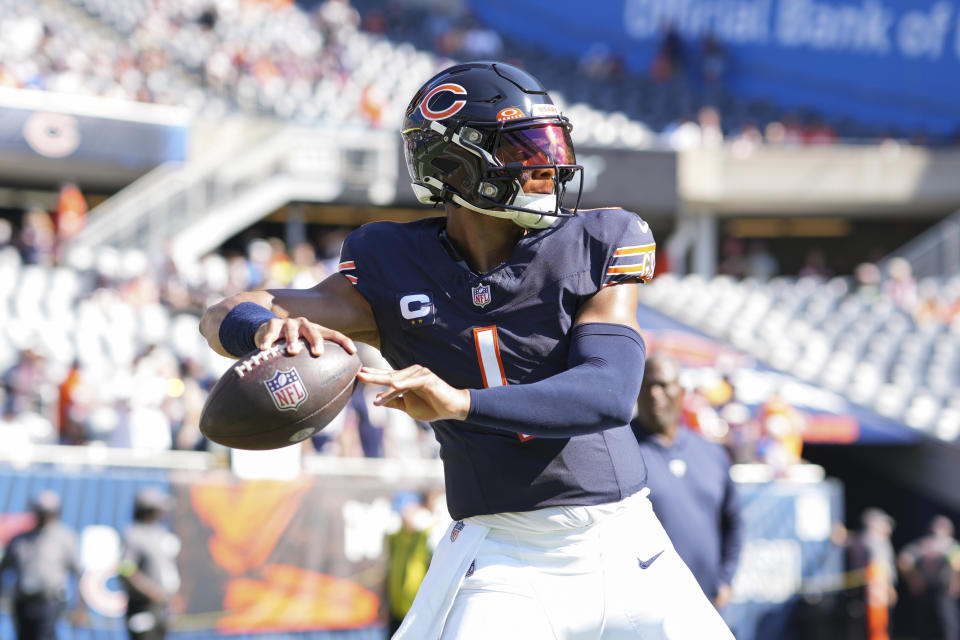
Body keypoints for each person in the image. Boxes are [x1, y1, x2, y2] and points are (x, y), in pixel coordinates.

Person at [199, 61, 733, 639]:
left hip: (630, 543)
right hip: (505, 556)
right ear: (455, 162)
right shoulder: (390, 262)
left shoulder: (599, 239)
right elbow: (221, 311)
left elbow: (608, 393)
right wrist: (261, 329)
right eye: (524, 148)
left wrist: (460, 404)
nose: (548, 164)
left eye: (551, 143)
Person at [631, 354, 743, 610]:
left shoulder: (710, 452)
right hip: (648, 609)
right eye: (647, 385)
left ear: (681, 392)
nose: (655, 394)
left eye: (663, 385)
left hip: (708, 605)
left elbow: (734, 520)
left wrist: (725, 579)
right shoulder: (620, 449)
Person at [0, 491, 87, 640]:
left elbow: (78, 573)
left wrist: (81, 607)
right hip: (23, 602)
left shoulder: (64, 538)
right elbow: (3, 570)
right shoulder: (20, 540)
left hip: (50, 601)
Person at [117, 488, 182, 640]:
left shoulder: (160, 533)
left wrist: (171, 596)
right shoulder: (133, 534)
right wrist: (151, 591)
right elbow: (126, 570)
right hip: (142, 606)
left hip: (162, 608)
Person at [897, 515, 960, 640]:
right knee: (926, 623)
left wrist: (956, 581)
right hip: (926, 588)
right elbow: (903, 560)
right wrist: (914, 578)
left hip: (944, 589)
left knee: (946, 623)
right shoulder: (924, 544)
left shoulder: (951, 546)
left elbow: (957, 565)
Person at [843, 508, 898, 640]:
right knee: (877, 629)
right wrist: (889, 588)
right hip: (875, 593)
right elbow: (880, 569)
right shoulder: (877, 542)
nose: (888, 527)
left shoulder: (859, 540)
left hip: (859, 593)